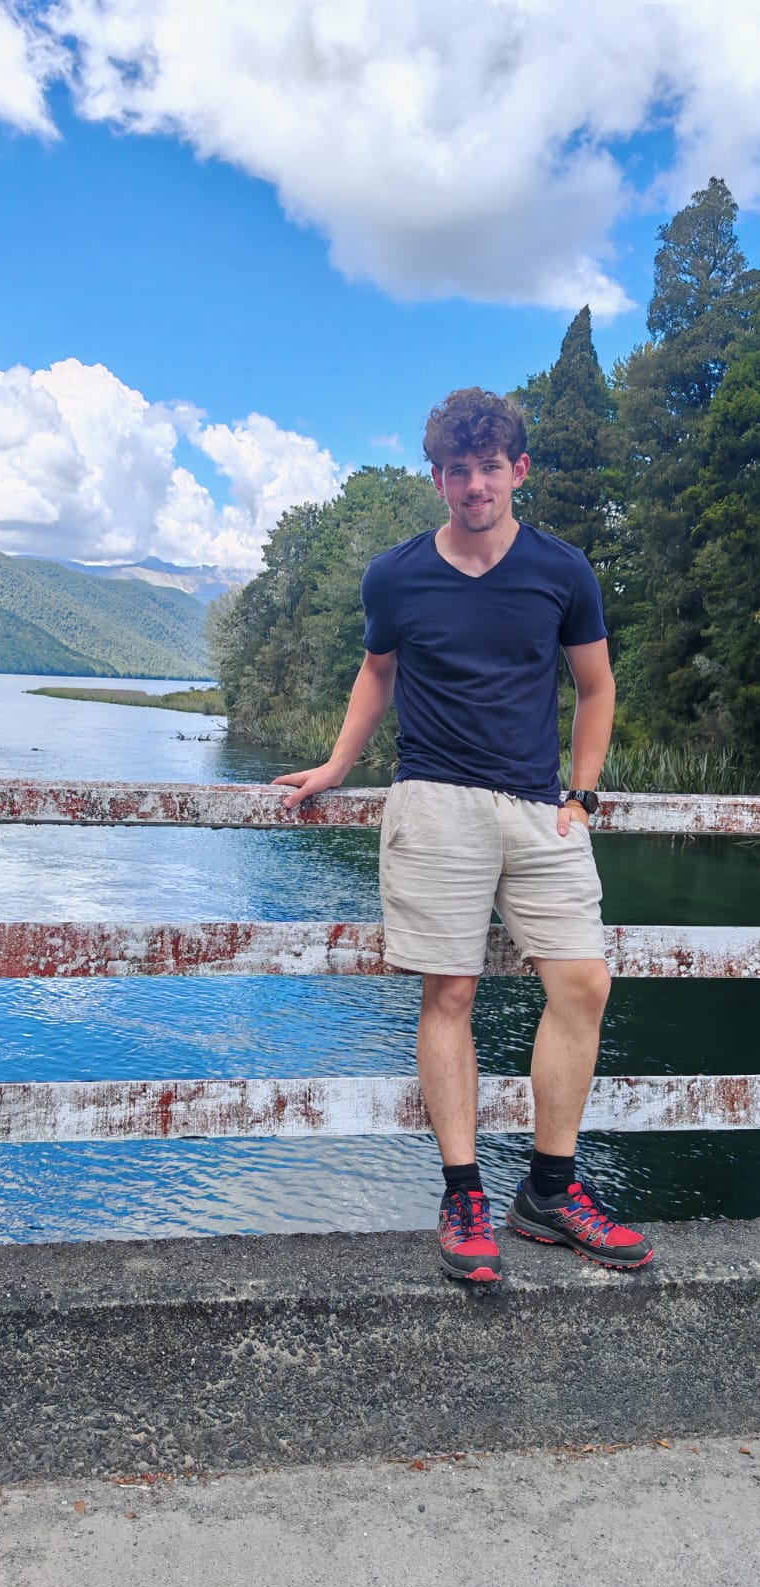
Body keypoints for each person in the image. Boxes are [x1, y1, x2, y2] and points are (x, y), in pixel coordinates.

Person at [273, 386, 653, 1284]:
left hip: (538, 808)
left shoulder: (563, 571)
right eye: (457, 470)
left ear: (518, 470)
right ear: (437, 478)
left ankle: (549, 1191)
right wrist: (336, 765)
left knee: (583, 984)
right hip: (434, 800)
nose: (474, 484)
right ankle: (463, 1194)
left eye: (489, 467)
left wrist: (582, 795)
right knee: (449, 993)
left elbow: (596, 688)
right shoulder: (395, 575)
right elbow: (378, 672)